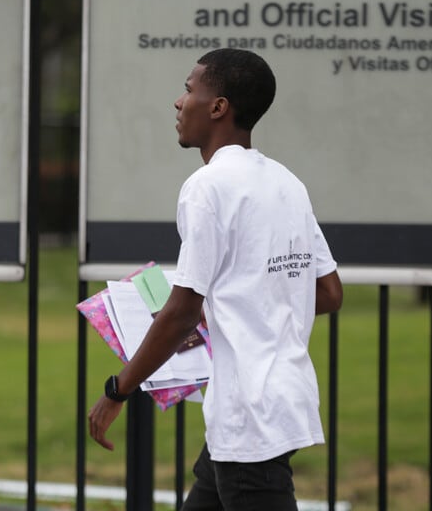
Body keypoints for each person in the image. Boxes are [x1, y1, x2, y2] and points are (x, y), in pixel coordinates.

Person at [88, 48, 343, 510]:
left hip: (250, 413)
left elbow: (183, 310)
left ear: (219, 106)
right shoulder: (287, 182)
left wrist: (117, 391)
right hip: (279, 401)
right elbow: (328, 292)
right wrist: (237, 305)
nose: (178, 103)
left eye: (188, 89)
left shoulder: (208, 186)